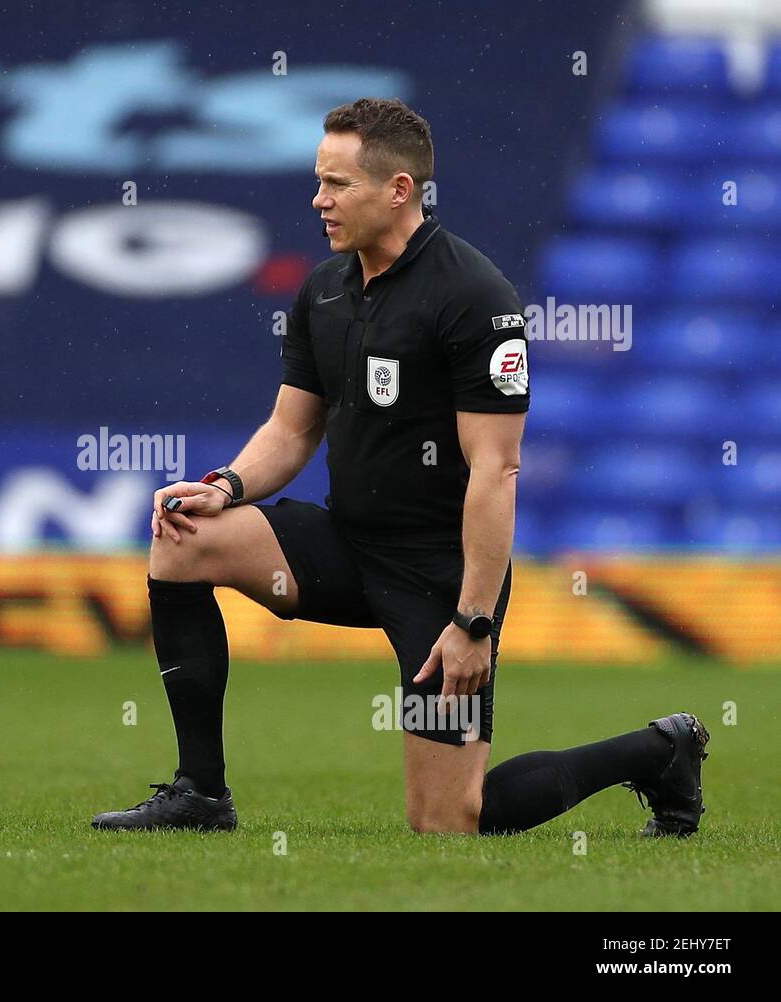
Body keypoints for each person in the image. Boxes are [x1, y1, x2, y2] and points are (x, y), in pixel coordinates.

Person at [92, 98, 708, 836]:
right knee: (181, 541)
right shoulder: (324, 290)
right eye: (318, 181)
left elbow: (496, 472)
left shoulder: (474, 298)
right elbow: (291, 431)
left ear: (398, 190)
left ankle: (659, 750)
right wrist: (224, 487)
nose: (319, 199)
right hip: (349, 545)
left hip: (439, 579)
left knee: (449, 820)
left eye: (338, 184)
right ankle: (200, 794)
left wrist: (474, 619)